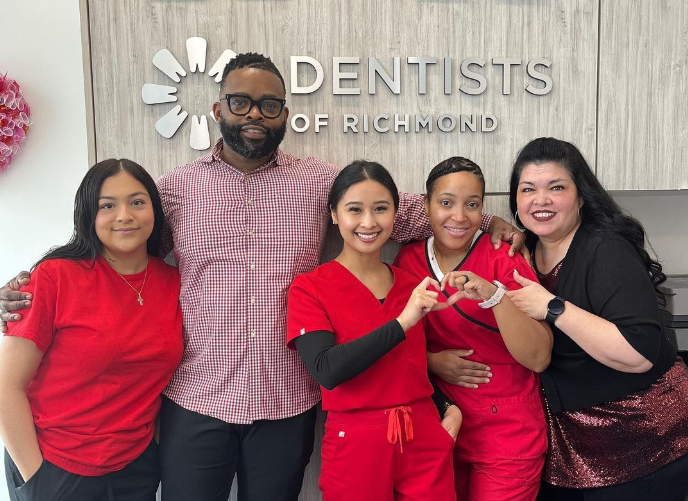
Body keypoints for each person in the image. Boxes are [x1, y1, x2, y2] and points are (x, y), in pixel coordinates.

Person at [0, 53, 524, 501]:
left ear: (285, 116)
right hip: (197, 398)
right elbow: (116, 246)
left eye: (269, 105)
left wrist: (489, 220)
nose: (255, 114)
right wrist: (33, 279)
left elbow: (415, 214)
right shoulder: (177, 189)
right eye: (241, 102)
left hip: (286, 399)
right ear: (218, 109)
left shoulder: (319, 183)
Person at [504, 137, 688, 500]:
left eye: (556, 187)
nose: (541, 200)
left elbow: (638, 353)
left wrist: (553, 307)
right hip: (572, 448)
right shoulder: (524, 248)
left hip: (641, 442)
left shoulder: (605, 248)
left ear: (581, 196)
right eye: (528, 189)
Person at [0, 159, 183, 501]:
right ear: (88, 215)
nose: (125, 215)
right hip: (55, 466)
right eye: (107, 206)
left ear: (155, 212)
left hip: (136, 466)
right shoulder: (54, 277)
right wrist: (37, 478)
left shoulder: (174, 282)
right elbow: (6, 386)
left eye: (137, 202)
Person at [286, 161, 461, 501]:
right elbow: (327, 369)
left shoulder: (412, 285)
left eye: (381, 209)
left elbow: (410, 366)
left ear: (395, 214)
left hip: (424, 433)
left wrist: (448, 410)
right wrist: (402, 322)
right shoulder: (310, 287)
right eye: (355, 210)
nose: (368, 222)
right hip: (356, 441)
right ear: (334, 215)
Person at [394, 157, 552, 501]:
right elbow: (395, 341)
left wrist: (496, 296)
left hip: (507, 435)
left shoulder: (503, 257)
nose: (459, 217)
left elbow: (539, 357)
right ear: (426, 206)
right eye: (446, 203)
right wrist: (431, 361)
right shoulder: (407, 261)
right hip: (439, 429)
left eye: (472, 205)